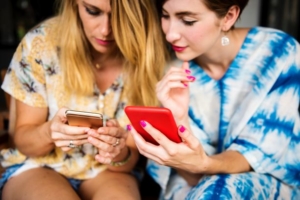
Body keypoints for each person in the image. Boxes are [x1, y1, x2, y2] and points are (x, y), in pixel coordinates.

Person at [128, 0, 300, 199]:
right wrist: (179, 120)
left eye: (188, 20)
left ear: (228, 17)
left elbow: (255, 157)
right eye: (165, 16)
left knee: (220, 189)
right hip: (192, 187)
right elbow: (191, 176)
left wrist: (204, 163)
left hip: (268, 186)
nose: (170, 34)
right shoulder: (168, 75)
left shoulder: (278, 53)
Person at [0, 0, 167, 199]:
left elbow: (130, 159)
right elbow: (23, 142)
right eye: (92, 11)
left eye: (119, 17)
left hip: (107, 172)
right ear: (74, 5)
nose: (105, 30)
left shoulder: (147, 57)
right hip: (38, 166)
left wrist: (118, 153)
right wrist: (49, 132)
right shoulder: (41, 43)